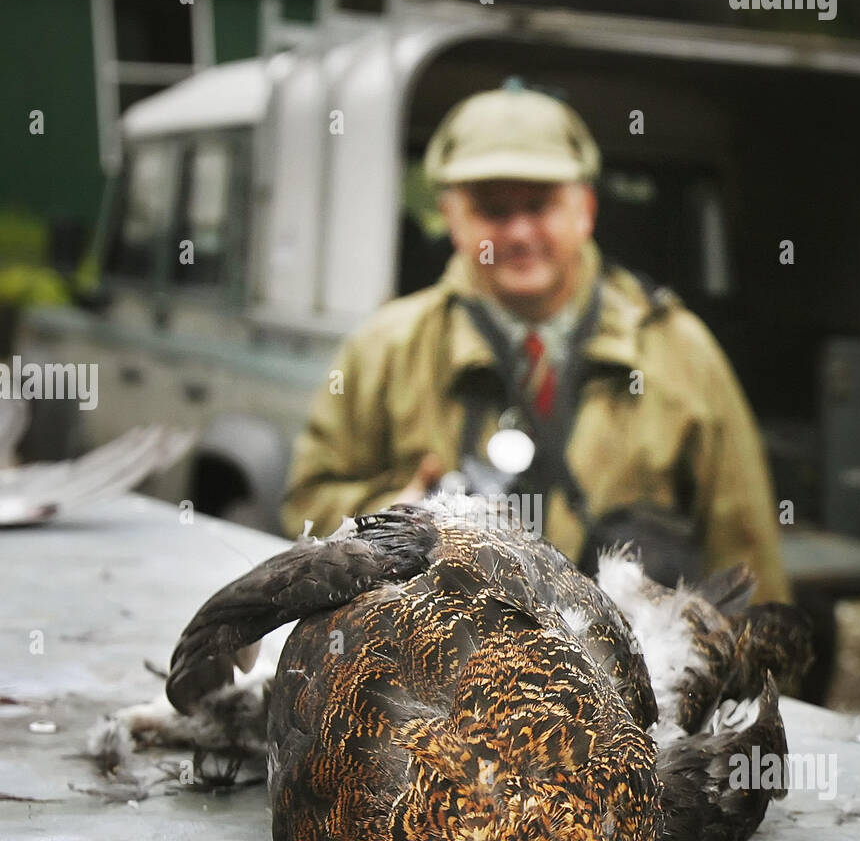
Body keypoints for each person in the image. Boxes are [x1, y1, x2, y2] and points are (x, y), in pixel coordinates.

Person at [282, 87, 789, 603]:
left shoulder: (677, 350)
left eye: (540, 205)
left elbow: (745, 549)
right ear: (451, 217)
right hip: (436, 669)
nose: (520, 232)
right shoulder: (384, 349)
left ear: (585, 210)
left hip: (629, 677)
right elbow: (307, 508)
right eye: (493, 210)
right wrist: (398, 516)